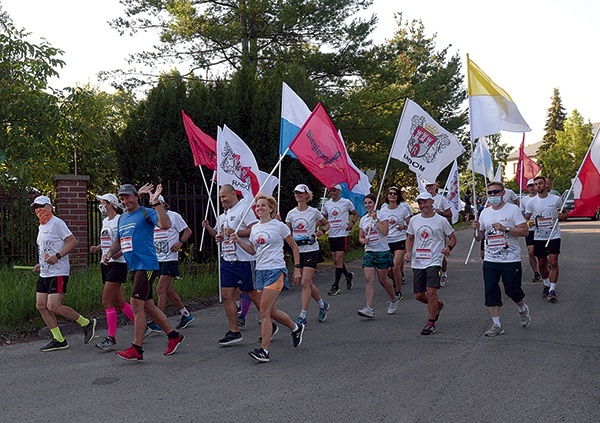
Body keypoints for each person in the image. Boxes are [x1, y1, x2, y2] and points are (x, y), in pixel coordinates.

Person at [106, 183, 184, 361]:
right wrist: (110, 253)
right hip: (134, 267)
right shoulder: (122, 218)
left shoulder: (146, 212)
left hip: (146, 265)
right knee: (148, 305)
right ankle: (174, 336)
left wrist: (155, 202)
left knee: (135, 304)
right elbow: (119, 240)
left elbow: (165, 224)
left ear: (135, 197)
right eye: (122, 198)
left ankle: (137, 348)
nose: (125, 201)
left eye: (128, 197)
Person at [230, 195, 305, 363]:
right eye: (257, 206)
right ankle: (295, 327)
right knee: (271, 311)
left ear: (271, 208)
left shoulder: (279, 226)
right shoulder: (255, 228)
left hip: (276, 270)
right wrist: (237, 241)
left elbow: (294, 246)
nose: (259, 208)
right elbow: (252, 251)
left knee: (264, 311)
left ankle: (264, 351)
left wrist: (298, 268)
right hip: (260, 271)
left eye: (263, 205)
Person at [31, 195, 96, 352]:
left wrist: (58, 256)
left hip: (59, 272)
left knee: (53, 305)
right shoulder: (42, 226)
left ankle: (86, 322)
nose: (37, 210)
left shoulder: (58, 223)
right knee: (41, 305)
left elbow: (73, 241)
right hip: (45, 272)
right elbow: (47, 249)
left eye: (40, 206)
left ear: (49, 207)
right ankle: (59, 339)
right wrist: (41, 263)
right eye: (35, 208)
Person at [472, 182, 531, 336]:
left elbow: (525, 231)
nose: (492, 195)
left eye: (496, 192)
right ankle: (497, 325)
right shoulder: (485, 212)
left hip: (510, 258)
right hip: (491, 259)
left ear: (503, 193)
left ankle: (522, 308)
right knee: (490, 289)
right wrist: (476, 229)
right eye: (490, 193)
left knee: (512, 290)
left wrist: (506, 229)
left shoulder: (513, 209)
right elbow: (479, 238)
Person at [210, 184, 262, 346]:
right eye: (220, 197)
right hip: (228, 259)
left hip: (244, 259)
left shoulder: (244, 209)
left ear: (234, 194)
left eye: (224, 196)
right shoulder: (223, 215)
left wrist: (236, 233)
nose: (222, 200)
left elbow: (255, 230)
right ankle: (234, 331)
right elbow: (225, 235)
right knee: (226, 295)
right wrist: (220, 238)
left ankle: (270, 321)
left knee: (252, 294)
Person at [405, 192, 456, 335]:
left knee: (431, 291)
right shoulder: (414, 220)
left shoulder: (441, 220)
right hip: (418, 261)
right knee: (418, 295)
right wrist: (408, 252)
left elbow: (452, 238)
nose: (423, 206)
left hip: (434, 260)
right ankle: (437, 305)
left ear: (432, 202)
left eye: (425, 202)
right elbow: (410, 238)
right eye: (420, 203)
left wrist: (449, 247)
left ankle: (431, 323)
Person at [90, 193, 135, 351]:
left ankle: (111, 338)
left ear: (110, 204)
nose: (100, 206)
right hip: (106, 263)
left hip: (117, 264)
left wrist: (119, 252)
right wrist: (98, 247)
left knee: (106, 301)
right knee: (120, 302)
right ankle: (143, 325)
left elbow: (126, 239)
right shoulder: (105, 221)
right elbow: (108, 240)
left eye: (102, 203)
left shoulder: (120, 219)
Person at [145, 194, 194, 332]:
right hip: (157, 258)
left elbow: (187, 231)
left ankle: (159, 321)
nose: (155, 207)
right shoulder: (153, 218)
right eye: (153, 205)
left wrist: (180, 242)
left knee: (160, 289)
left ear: (164, 204)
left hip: (170, 258)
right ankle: (186, 314)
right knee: (168, 290)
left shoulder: (174, 216)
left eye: (157, 204)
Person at [285, 184, 330, 324]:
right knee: (308, 283)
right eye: (296, 193)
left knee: (304, 282)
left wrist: (322, 231)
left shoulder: (314, 212)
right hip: (297, 251)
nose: (297, 195)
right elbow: (286, 233)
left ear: (306, 196)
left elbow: (326, 224)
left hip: (311, 249)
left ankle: (303, 316)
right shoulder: (291, 214)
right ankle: (322, 305)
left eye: (300, 193)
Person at [524, 176, 566, 302]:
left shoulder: (556, 199)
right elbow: (526, 218)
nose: (538, 186)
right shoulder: (531, 202)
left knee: (553, 262)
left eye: (540, 183)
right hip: (539, 237)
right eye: (536, 184)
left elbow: (565, 213)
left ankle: (552, 290)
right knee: (542, 263)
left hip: (554, 235)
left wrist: (562, 215)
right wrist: (528, 223)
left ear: (546, 185)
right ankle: (546, 284)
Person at [356, 193, 398, 318]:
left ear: (375, 203)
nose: (367, 205)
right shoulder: (363, 219)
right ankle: (369, 308)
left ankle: (394, 299)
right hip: (369, 252)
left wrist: (376, 219)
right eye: (366, 203)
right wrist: (363, 241)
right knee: (369, 280)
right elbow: (360, 237)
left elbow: (385, 232)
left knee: (382, 280)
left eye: (370, 202)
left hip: (382, 251)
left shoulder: (383, 215)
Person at [321, 184, 359, 296]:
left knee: (338, 259)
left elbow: (355, 214)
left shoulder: (346, 202)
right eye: (330, 191)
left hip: (343, 234)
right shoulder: (327, 204)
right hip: (332, 234)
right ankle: (348, 275)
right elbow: (323, 218)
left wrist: (352, 223)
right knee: (336, 261)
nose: (332, 193)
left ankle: (335, 285)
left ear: (339, 191)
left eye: (334, 191)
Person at [381, 186, 412, 300]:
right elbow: (379, 225)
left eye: (394, 194)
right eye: (390, 193)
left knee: (395, 268)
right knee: (388, 271)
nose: (392, 195)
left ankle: (398, 291)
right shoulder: (383, 210)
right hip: (386, 241)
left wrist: (403, 226)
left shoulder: (403, 209)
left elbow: (411, 225)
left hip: (399, 240)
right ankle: (397, 280)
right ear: (387, 196)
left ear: (398, 196)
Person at [425, 181, 452, 287]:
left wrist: (440, 212)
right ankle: (430, 275)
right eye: (427, 186)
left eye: (431, 185)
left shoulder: (442, 199)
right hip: (426, 230)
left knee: (440, 252)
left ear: (436, 186)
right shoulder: (422, 199)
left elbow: (450, 214)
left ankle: (444, 273)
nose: (429, 187)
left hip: (438, 229)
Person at [519, 179, 542, 283]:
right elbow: (522, 214)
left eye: (533, 186)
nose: (532, 188)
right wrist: (527, 223)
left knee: (541, 253)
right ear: (527, 188)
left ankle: (544, 268)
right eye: (529, 186)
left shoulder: (541, 198)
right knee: (531, 252)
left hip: (541, 229)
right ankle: (536, 272)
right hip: (530, 229)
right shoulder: (524, 200)